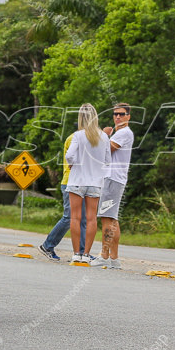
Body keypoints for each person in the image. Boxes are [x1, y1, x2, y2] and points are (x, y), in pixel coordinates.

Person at [64, 103, 110, 264]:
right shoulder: (104, 136)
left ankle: (76, 253)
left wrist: (73, 164)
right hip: (95, 182)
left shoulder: (78, 135)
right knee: (91, 219)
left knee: (75, 218)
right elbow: (108, 161)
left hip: (77, 180)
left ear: (81, 118)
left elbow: (69, 155)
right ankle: (86, 254)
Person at [90, 103, 134, 269]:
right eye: (115, 114)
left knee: (107, 218)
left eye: (121, 114)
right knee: (112, 219)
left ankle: (104, 255)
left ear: (128, 116)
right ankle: (114, 259)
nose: (117, 117)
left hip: (113, 178)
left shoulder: (123, 133)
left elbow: (105, 151)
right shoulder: (121, 133)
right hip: (114, 178)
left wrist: (103, 135)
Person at [38, 132, 86, 262]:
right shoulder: (73, 138)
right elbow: (72, 158)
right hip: (69, 182)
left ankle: (82, 253)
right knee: (69, 217)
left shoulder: (86, 138)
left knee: (83, 219)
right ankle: (47, 246)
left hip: (81, 182)